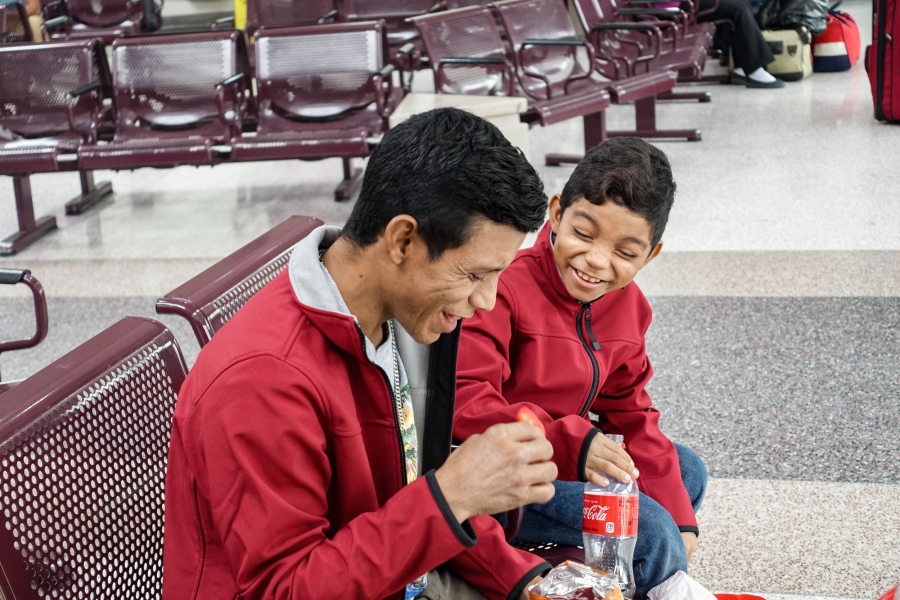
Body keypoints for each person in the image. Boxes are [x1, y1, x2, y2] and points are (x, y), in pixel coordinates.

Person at [162, 108, 558, 600]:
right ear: (403, 240)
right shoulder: (263, 379)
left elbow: (411, 490)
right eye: (476, 274)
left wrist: (523, 580)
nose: (487, 301)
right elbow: (284, 589)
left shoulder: (398, 316)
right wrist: (453, 494)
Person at [453, 137, 708, 600]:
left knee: (686, 472)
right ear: (555, 213)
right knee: (649, 526)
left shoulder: (630, 307)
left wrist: (682, 525)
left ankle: (638, 573)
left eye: (625, 252)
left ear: (651, 254)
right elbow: (468, 400)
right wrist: (572, 443)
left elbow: (631, 413)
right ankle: (661, 583)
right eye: (584, 235)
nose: (596, 261)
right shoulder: (504, 287)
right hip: (504, 475)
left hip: (563, 463)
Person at [695, 0, 785, 88]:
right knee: (739, 8)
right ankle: (755, 69)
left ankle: (741, 68)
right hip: (687, 6)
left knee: (743, 2)